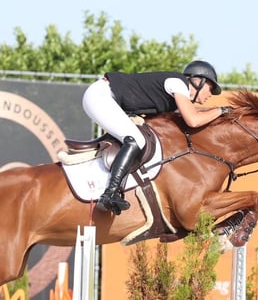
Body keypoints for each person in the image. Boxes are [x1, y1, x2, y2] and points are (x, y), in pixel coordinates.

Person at [82, 60, 230, 215]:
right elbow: (193, 120)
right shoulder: (178, 84)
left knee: (137, 137)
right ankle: (110, 193)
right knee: (135, 139)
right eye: (210, 88)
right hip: (101, 96)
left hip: (105, 97)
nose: (210, 94)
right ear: (198, 81)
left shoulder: (174, 99)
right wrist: (222, 110)